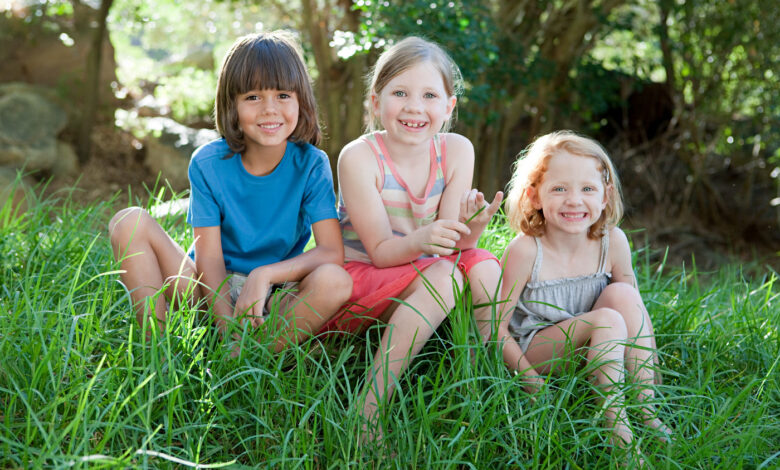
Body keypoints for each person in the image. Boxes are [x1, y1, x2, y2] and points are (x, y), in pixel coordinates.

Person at [108, 31, 352, 354]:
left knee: (336, 280)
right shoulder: (208, 163)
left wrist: (264, 275)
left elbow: (331, 252)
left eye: (282, 95)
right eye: (253, 97)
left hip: (272, 295)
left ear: (301, 101)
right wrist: (226, 327)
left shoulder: (312, 164)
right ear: (232, 104)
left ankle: (252, 356)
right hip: (208, 291)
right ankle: (159, 355)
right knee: (128, 222)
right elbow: (208, 256)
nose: (269, 109)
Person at [319, 36, 503, 439]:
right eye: (400, 92)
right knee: (447, 278)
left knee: (486, 266)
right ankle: (368, 409)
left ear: (449, 106)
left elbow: (453, 246)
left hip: (421, 264)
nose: (415, 107)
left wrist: (474, 226)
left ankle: (486, 381)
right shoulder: (360, 156)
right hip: (361, 275)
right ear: (375, 100)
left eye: (430, 95)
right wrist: (426, 240)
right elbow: (382, 253)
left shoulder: (456, 150)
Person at [497, 130, 671, 452]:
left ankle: (647, 410)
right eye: (559, 188)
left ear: (604, 196)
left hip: (600, 339)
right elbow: (495, 327)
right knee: (607, 319)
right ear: (535, 196)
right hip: (539, 350)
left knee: (624, 295)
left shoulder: (612, 241)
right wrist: (530, 380)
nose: (574, 200)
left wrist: (651, 368)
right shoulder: (526, 251)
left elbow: (636, 312)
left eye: (587, 189)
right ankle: (621, 442)